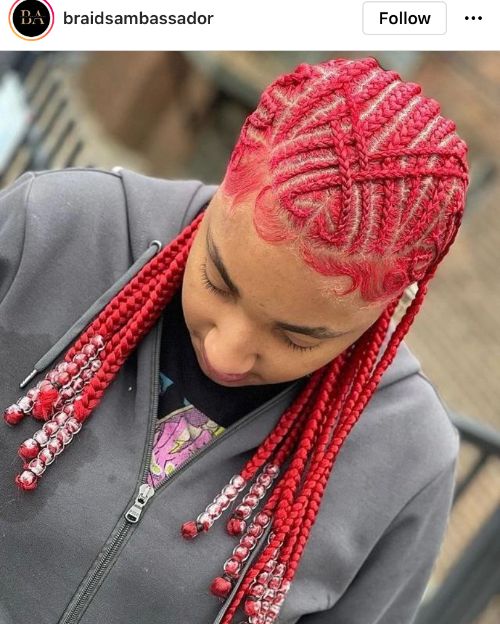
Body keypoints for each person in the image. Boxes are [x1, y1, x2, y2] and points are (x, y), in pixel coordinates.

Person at [0, 56, 468, 624]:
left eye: (298, 338)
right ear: (228, 179)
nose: (225, 353)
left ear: (388, 308)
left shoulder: (408, 460)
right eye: (217, 280)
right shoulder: (52, 228)